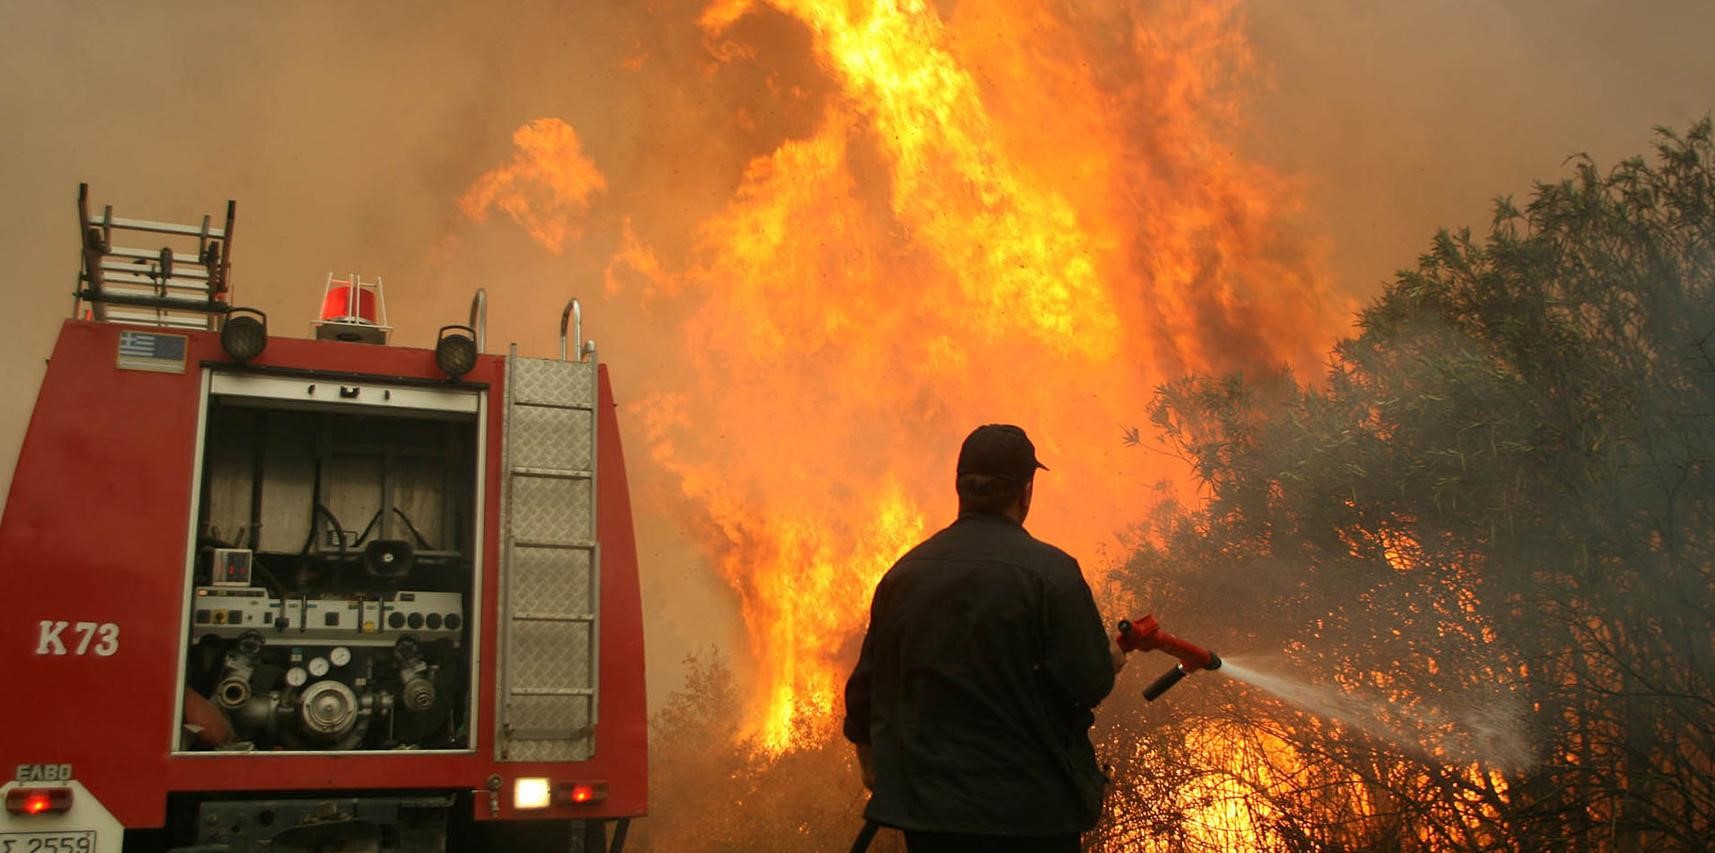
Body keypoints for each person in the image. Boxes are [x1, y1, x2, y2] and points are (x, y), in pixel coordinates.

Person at [843, 424, 1125, 853]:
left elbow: (865, 690)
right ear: (1025, 492)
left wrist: (872, 764)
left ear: (960, 488)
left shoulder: (904, 575)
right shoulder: (1052, 575)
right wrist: (1110, 659)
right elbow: (1089, 683)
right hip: (1033, 814)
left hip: (932, 817)